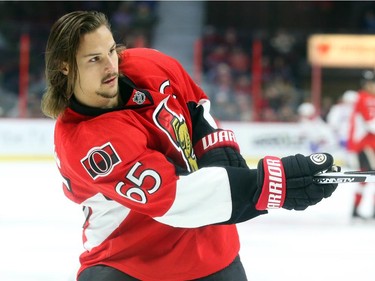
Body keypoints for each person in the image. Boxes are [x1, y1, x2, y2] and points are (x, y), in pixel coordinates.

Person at [41, 11, 338, 281]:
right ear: (64, 67)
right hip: (128, 264)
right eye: (94, 59)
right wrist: (270, 184)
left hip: (212, 253)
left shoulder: (149, 64)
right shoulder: (86, 142)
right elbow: (174, 197)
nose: (111, 66)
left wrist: (219, 151)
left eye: (110, 51)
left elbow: (196, 107)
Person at [347, 70, 375, 220]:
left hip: (368, 145)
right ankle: (356, 210)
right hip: (366, 145)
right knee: (367, 176)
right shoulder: (365, 98)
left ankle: (356, 210)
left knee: (365, 177)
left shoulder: (367, 98)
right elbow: (369, 123)